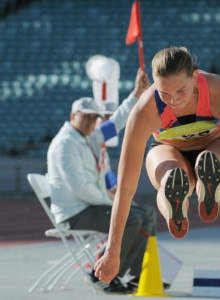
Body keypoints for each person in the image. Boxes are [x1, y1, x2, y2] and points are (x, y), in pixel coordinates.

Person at [94, 46, 220, 284]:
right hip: (169, 150)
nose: (174, 101)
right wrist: (112, 251)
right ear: (154, 85)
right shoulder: (145, 109)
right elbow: (126, 188)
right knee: (169, 174)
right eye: (164, 93)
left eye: (181, 91)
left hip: (217, 146)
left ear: (195, 76)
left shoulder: (218, 92)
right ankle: (180, 200)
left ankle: (210, 185)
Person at [47, 68, 156, 293]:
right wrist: (113, 202)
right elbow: (80, 188)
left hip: (89, 206)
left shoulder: (90, 137)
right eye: (85, 116)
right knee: (130, 218)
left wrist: (136, 94)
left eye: (94, 117)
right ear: (72, 116)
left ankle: (135, 276)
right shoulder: (65, 144)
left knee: (147, 214)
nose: (90, 121)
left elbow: (116, 122)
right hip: (75, 214)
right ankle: (106, 275)